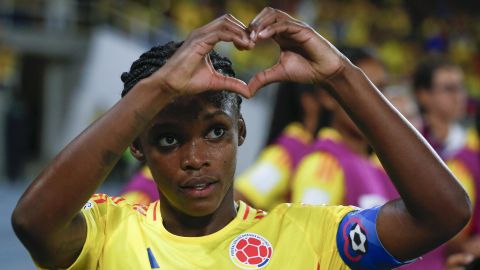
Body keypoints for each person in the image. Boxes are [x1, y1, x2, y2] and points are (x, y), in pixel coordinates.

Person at [12, 8, 470, 269]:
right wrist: (159, 89)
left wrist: (340, 75)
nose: (196, 158)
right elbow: (33, 222)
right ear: (138, 146)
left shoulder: (304, 237)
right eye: (168, 140)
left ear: (241, 132)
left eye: (215, 132)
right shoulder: (109, 233)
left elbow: (443, 213)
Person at [290, 47, 397, 209]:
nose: (375, 100)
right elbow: (306, 231)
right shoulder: (324, 164)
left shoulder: (381, 167)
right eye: (363, 88)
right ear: (328, 97)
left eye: (380, 89)